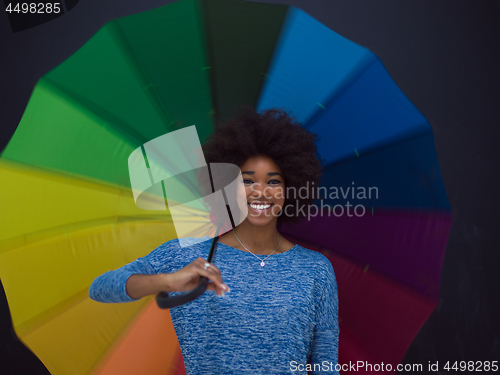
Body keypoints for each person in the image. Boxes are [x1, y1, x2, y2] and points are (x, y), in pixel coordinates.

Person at [89, 105, 340, 375]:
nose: (260, 192)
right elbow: (100, 288)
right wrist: (167, 281)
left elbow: (326, 364)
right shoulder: (187, 256)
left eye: (274, 181)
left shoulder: (315, 269)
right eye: (247, 180)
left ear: (291, 188)